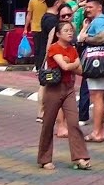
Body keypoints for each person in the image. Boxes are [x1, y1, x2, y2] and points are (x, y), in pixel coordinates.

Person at [37, 20, 91, 170]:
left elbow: (79, 69)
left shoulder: (72, 49)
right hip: (53, 89)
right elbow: (66, 66)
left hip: (69, 89)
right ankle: (44, 158)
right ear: (58, 34)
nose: (70, 33)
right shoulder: (54, 48)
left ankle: (80, 157)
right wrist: (72, 63)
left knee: (74, 122)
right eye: (66, 30)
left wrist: (71, 63)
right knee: (48, 124)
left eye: (71, 30)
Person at [78, 0, 104, 143]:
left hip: (97, 63)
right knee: (101, 97)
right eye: (86, 7)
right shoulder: (99, 20)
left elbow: (103, 37)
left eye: (90, 7)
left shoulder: (100, 21)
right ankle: (102, 131)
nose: (87, 10)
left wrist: (86, 38)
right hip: (102, 63)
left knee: (97, 97)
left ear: (99, 7)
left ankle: (97, 132)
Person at [34, 0, 63, 123]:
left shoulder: (46, 16)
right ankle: (41, 113)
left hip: (45, 55)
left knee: (45, 84)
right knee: (45, 84)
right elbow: (50, 40)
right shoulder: (52, 20)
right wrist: (46, 58)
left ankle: (43, 112)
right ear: (57, 3)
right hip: (49, 56)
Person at [25, 0, 50, 71]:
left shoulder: (48, 1)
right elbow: (29, 15)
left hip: (45, 28)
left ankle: (42, 66)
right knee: (37, 49)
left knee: (44, 48)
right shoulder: (32, 1)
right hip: (35, 28)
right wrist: (25, 28)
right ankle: (37, 66)